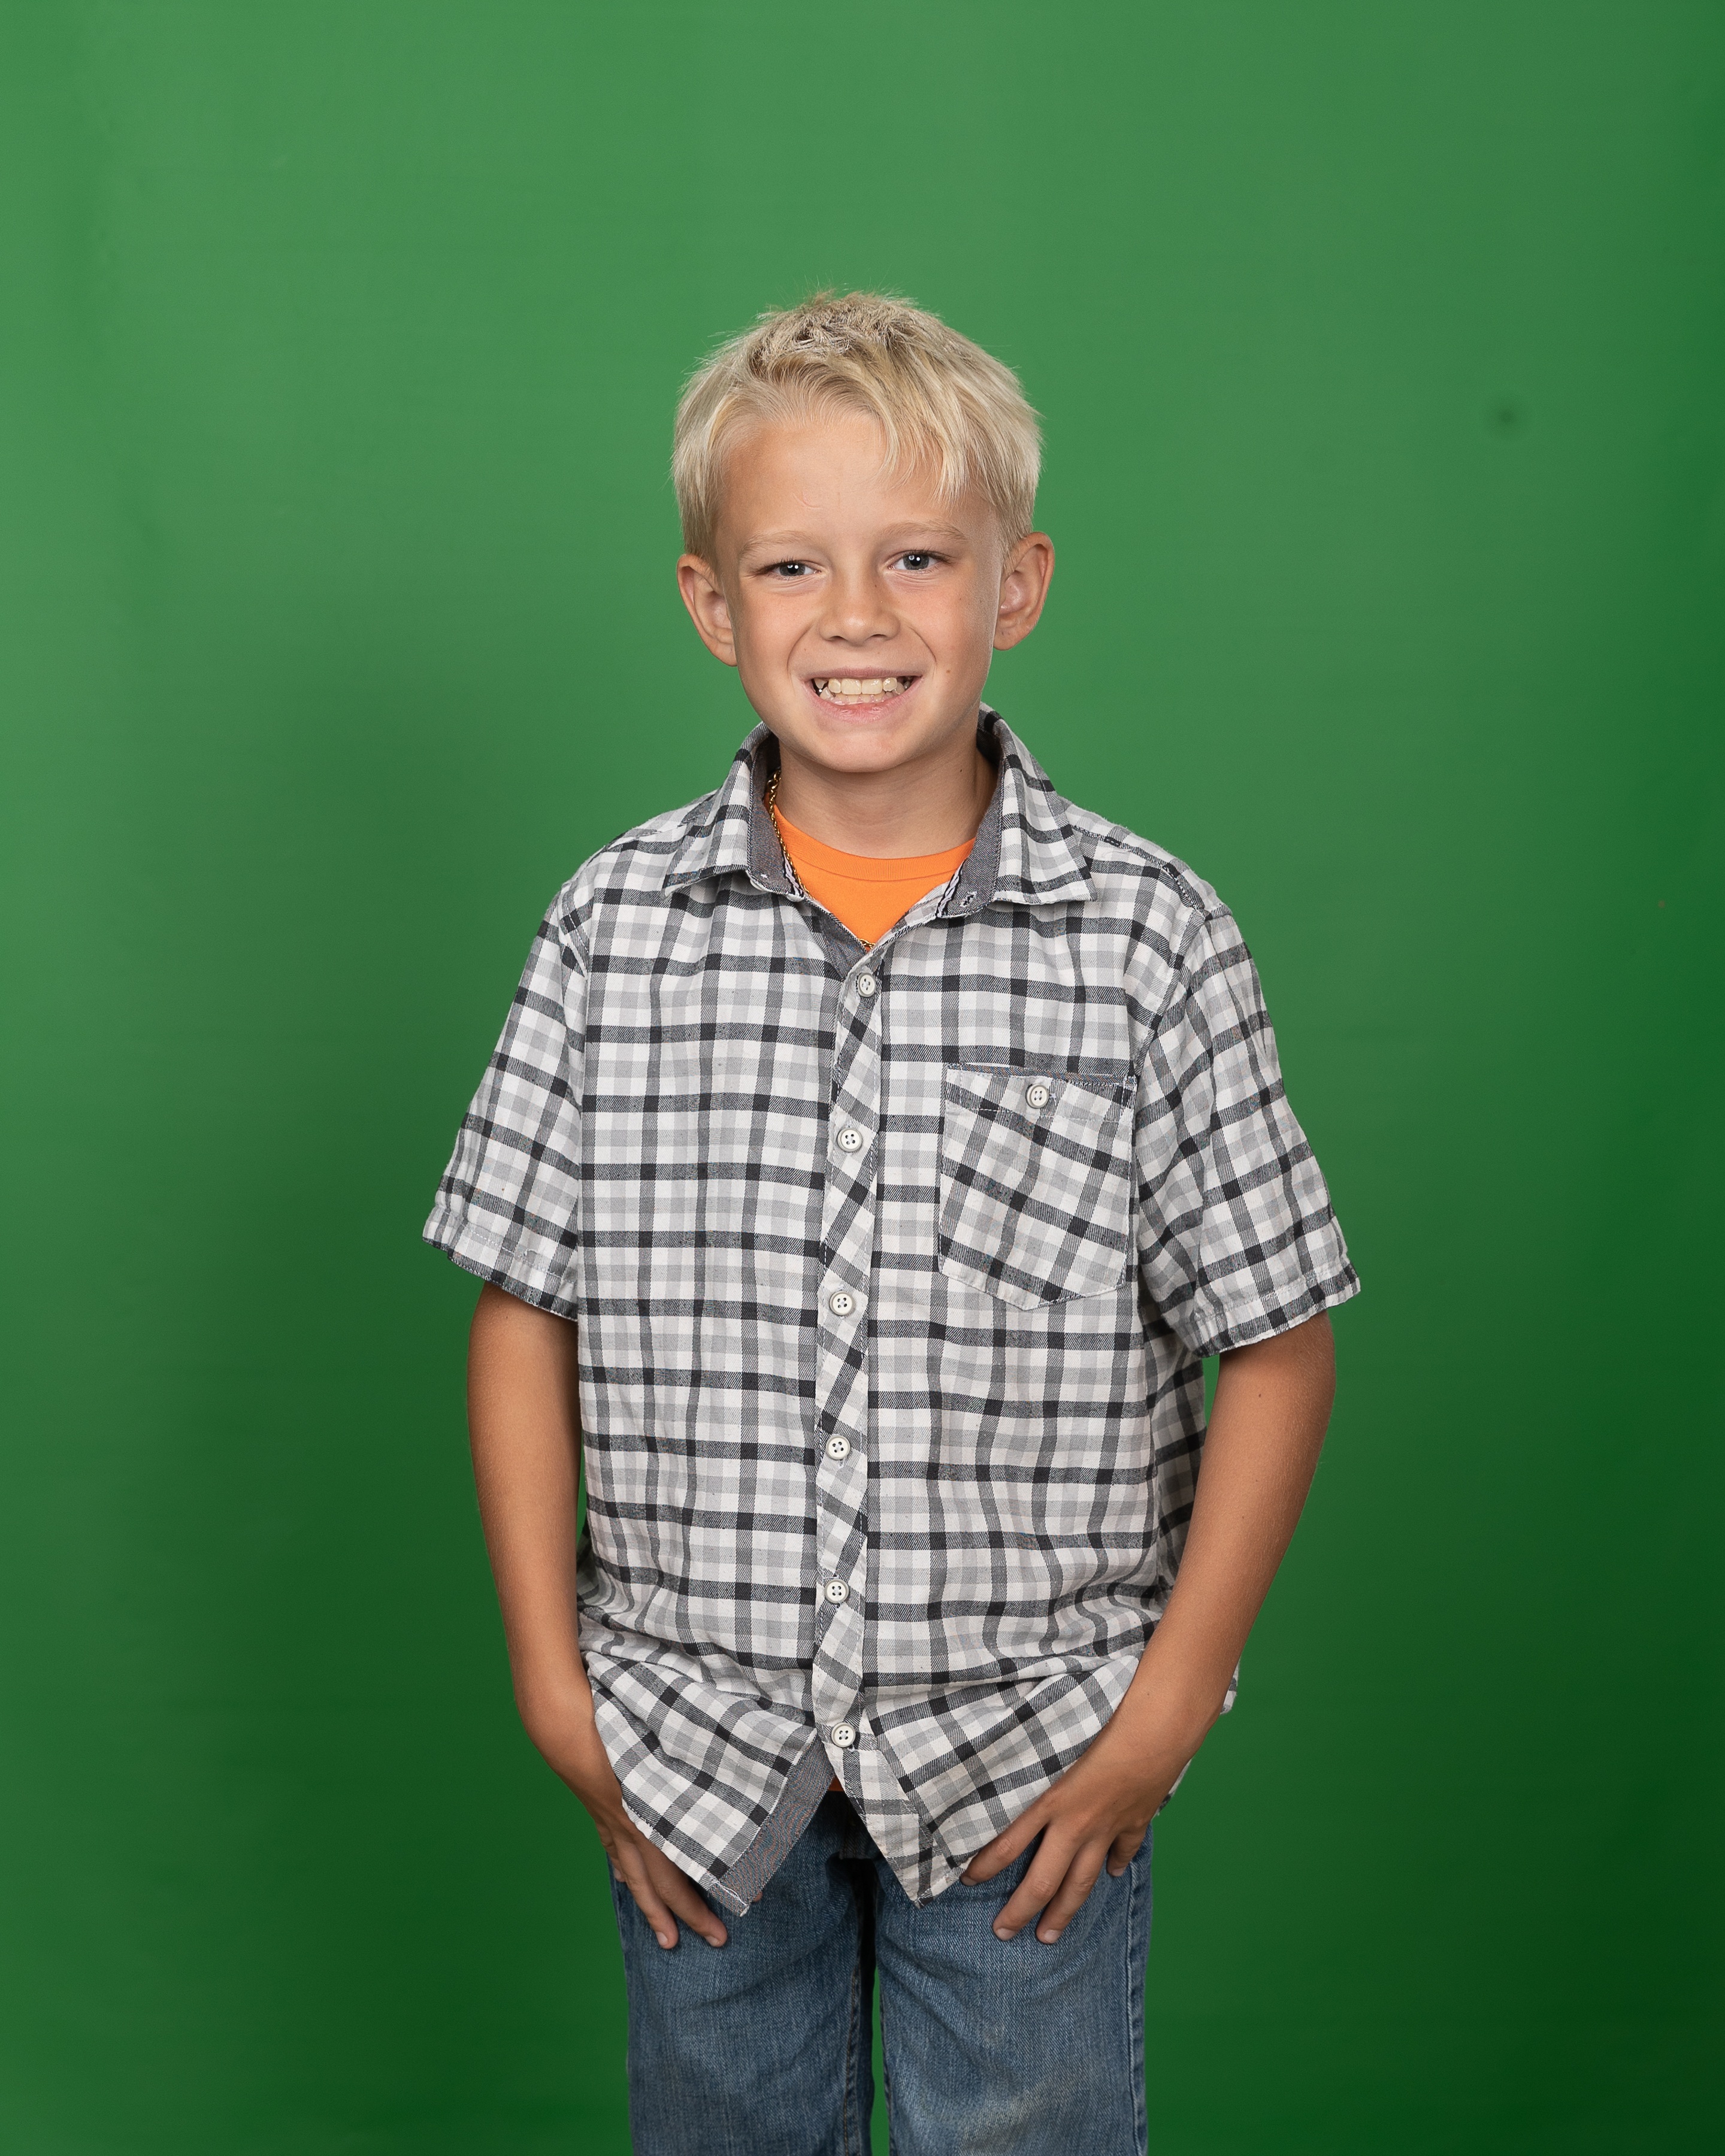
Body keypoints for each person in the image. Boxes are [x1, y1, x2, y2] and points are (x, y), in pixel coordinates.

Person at [425, 292, 1358, 2156]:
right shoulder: (614, 932)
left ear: (1018, 583)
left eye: (918, 557)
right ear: (714, 605)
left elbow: (1275, 1337)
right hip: (692, 1748)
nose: (856, 615)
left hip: (1033, 1755)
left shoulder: (1147, 942)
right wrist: (553, 1689)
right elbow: (526, 1306)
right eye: (795, 565)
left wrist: (1168, 1711)